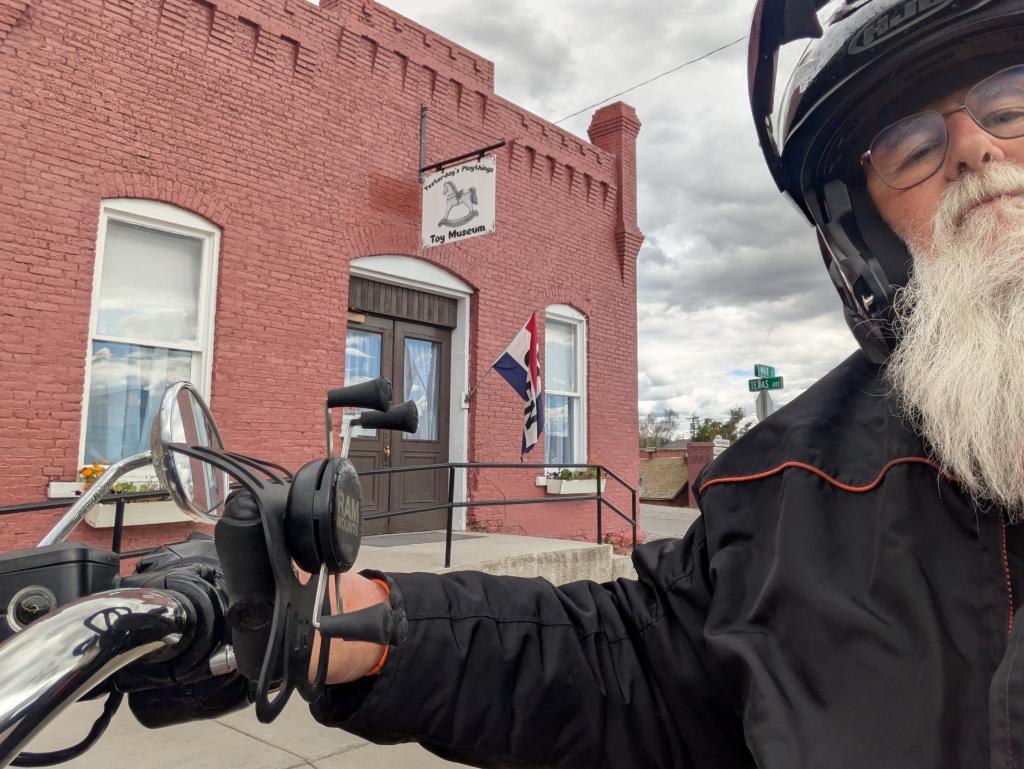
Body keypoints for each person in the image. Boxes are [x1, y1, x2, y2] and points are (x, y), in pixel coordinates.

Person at [200, 1, 1024, 766]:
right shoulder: (782, 491)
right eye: (912, 149)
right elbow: (635, 657)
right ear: (862, 222)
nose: (973, 149)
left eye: (1012, 105)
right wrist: (351, 623)